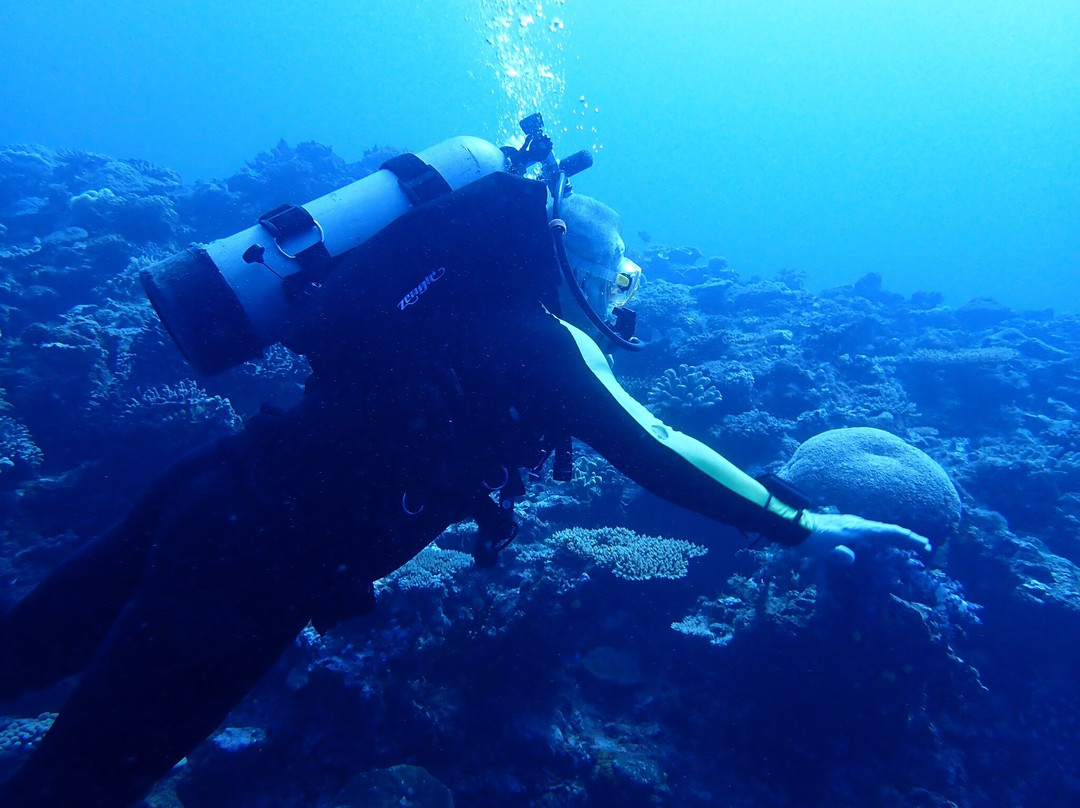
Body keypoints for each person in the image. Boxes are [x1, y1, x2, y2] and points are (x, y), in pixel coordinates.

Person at [0, 132, 930, 808]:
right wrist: (804, 524)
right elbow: (657, 449)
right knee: (76, 783)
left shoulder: (437, 298)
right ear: (573, 257)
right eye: (619, 273)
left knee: (22, 653)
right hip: (252, 569)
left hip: (211, 489)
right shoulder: (539, 339)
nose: (619, 294)